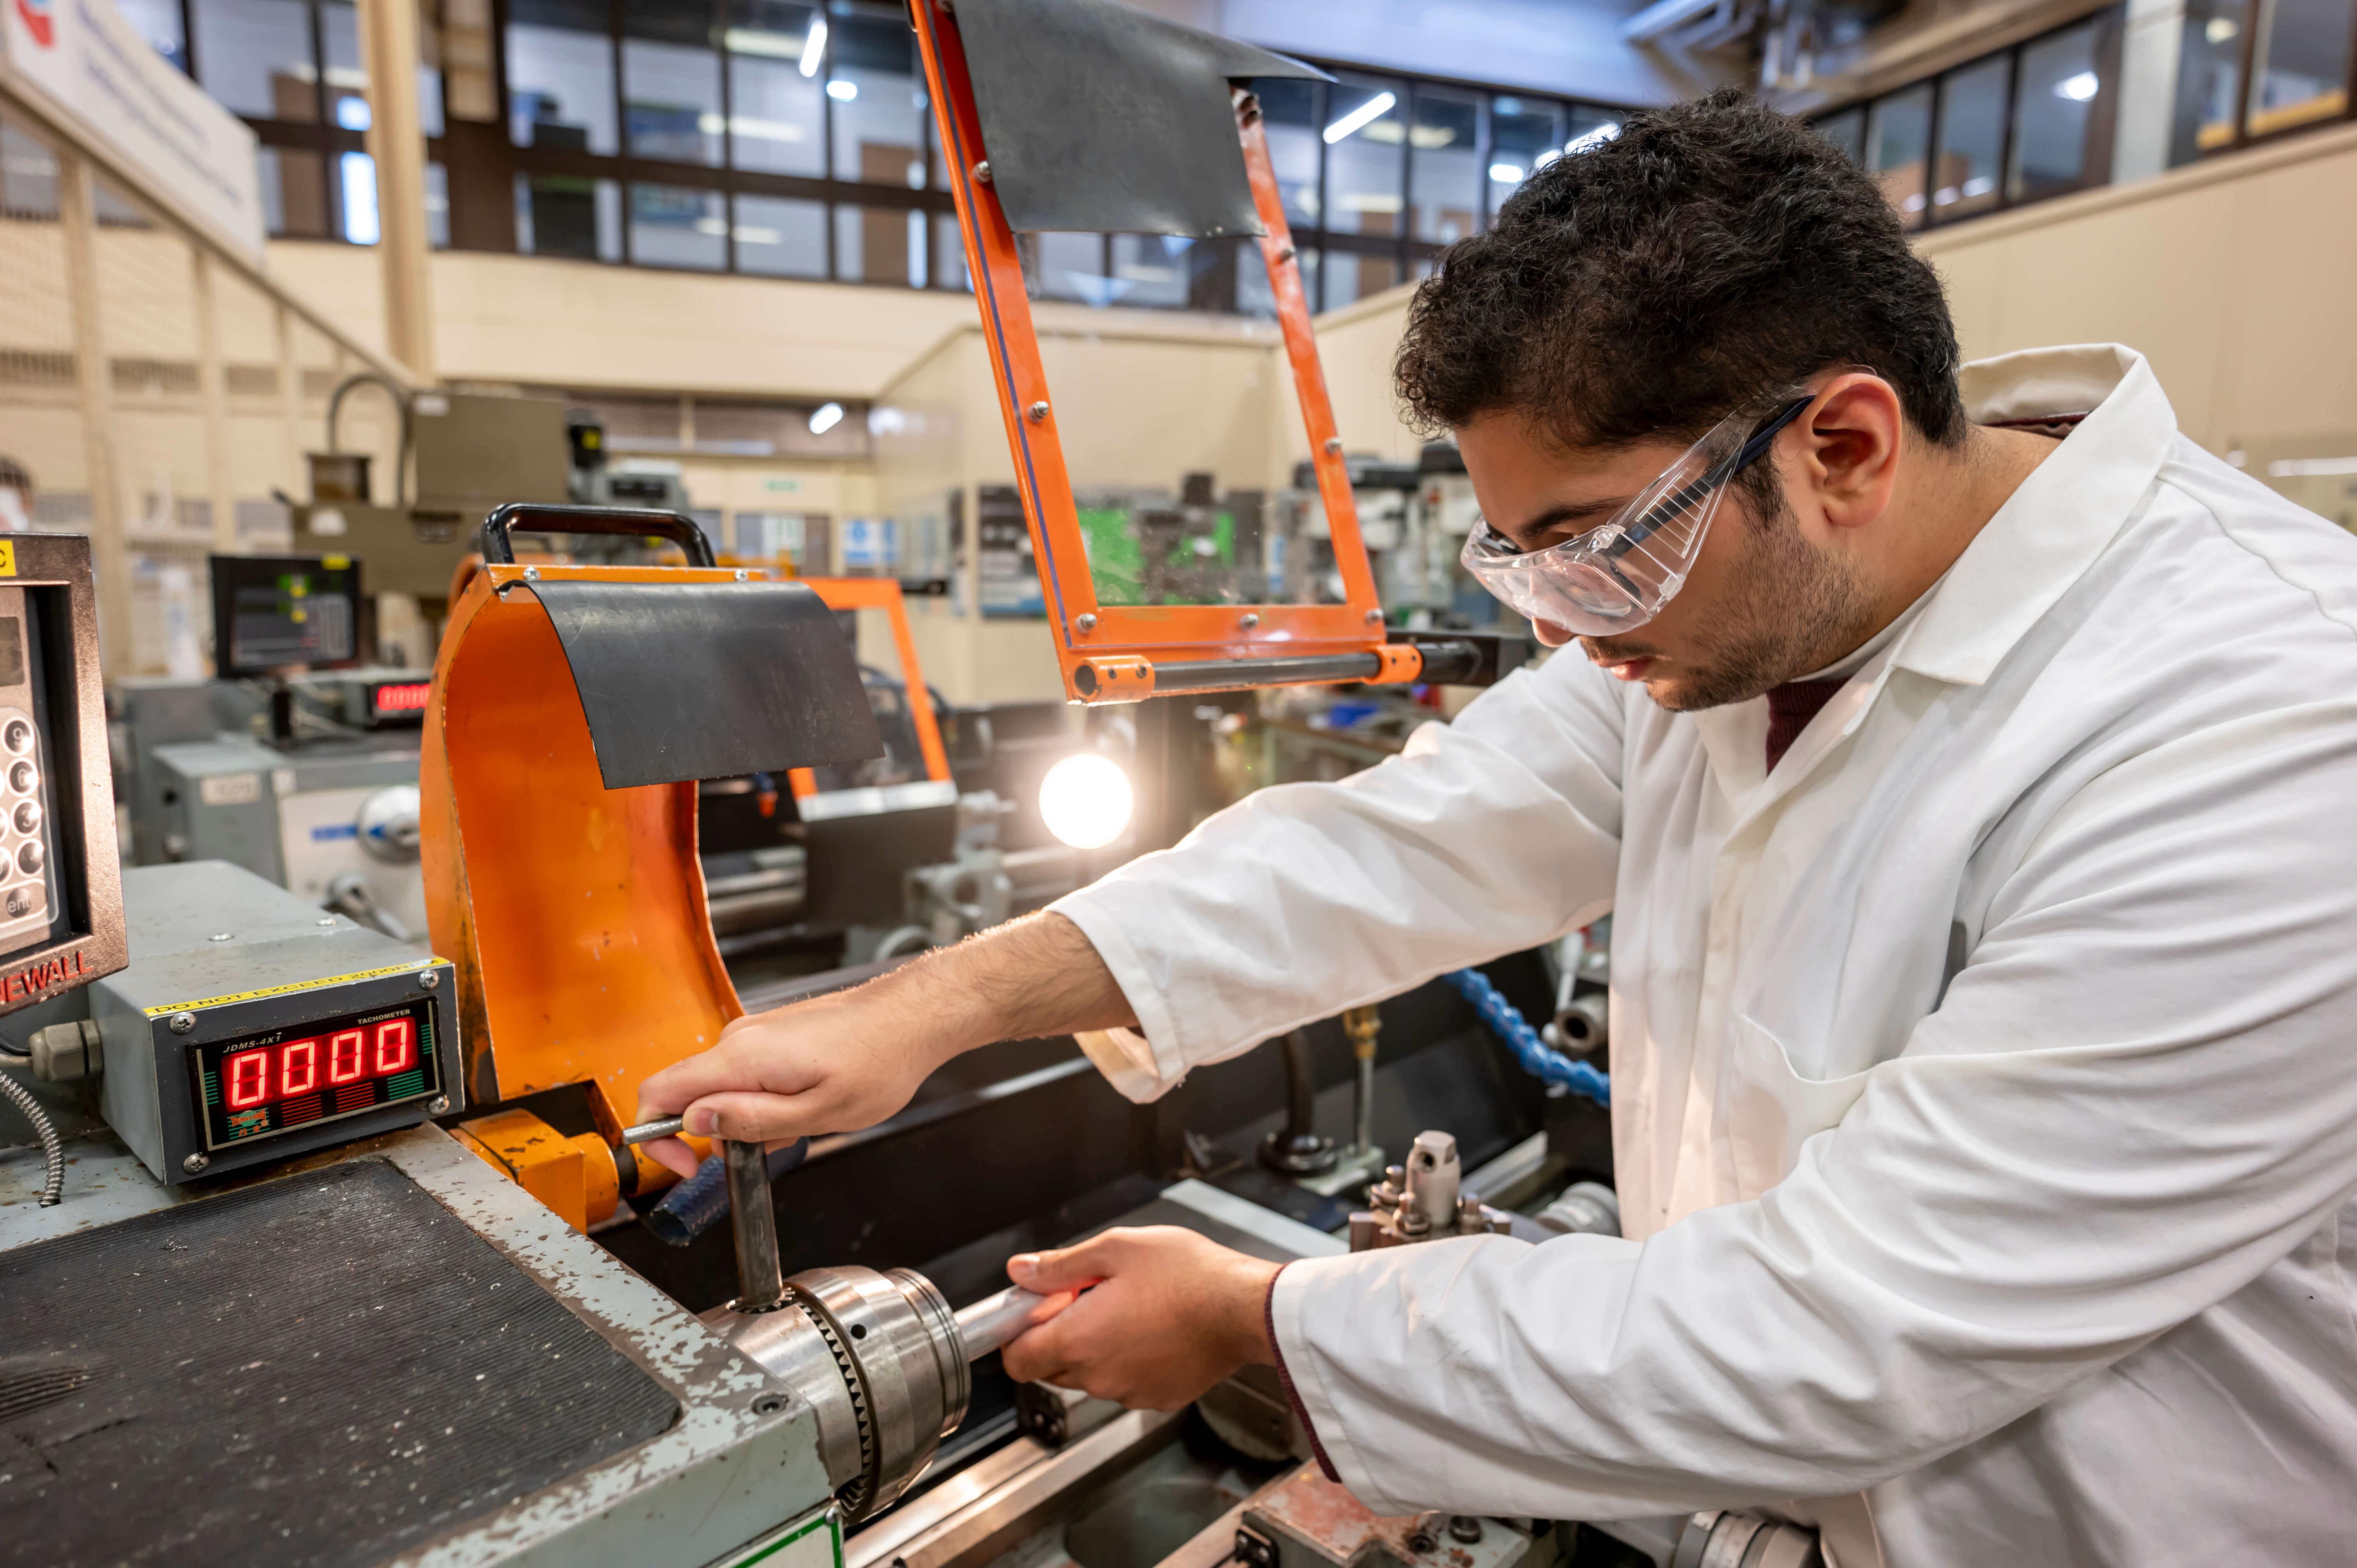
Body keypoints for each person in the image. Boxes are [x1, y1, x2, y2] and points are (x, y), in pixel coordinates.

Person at [638, 90, 2357, 1565]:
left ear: (1843, 444)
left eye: (1593, 546)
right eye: (1519, 559)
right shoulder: (1746, 610)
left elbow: (1836, 1331)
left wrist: (1261, 1323)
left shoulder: (2261, 730)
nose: (1563, 624)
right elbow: (1398, 840)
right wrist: (926, 1007)